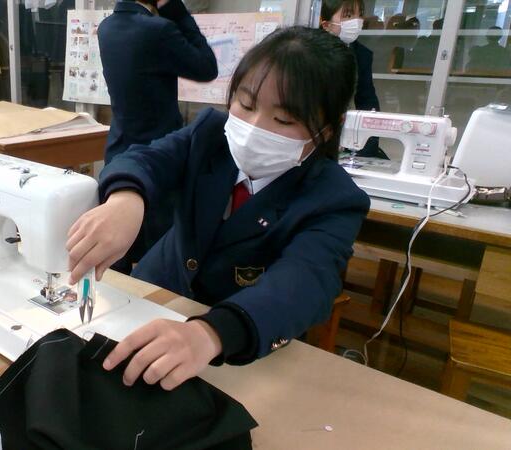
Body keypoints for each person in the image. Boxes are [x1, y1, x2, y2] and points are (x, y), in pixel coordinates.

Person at [66, 27, 370, 391]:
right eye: (246, 104)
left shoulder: (333, 198)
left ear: (328, 129)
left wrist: (213, 333)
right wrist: (126, 199)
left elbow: (304, 282)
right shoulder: (210, 134)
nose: (253, 127)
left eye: (284, 120)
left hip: (238, 336)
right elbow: (146, 159)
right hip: (155, 290)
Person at [98, 0, 218, 274]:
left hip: (119, 150)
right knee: (157, 256)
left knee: (118, 248)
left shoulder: (106, 28)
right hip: (157, 155)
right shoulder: (159, 29)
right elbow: (207, 67)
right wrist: (176, 10)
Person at [320, 0, 388, 159]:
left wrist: (368, 144)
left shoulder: (362, 54)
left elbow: (367, 100)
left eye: (360, 15)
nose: (356, 21)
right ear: (326, 24)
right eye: (348, 15)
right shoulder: (310, 51)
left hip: (342, 135)